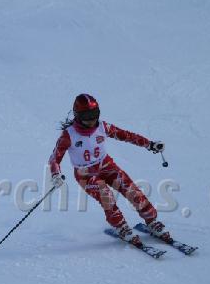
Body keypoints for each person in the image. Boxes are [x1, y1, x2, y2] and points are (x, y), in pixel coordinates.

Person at [48, 93, 172, 247]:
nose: (92, 119)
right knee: (106, 195)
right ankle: (121, 226)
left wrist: (149, 144)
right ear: (78, 115)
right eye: (87, 116)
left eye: (95, 114)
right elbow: (54, 158)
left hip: (106, 165)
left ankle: (151, 220)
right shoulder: (69, 135)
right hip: (85, 174)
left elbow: (126, 135)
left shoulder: (102, 127)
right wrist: (56, 174)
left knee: (131, 189)